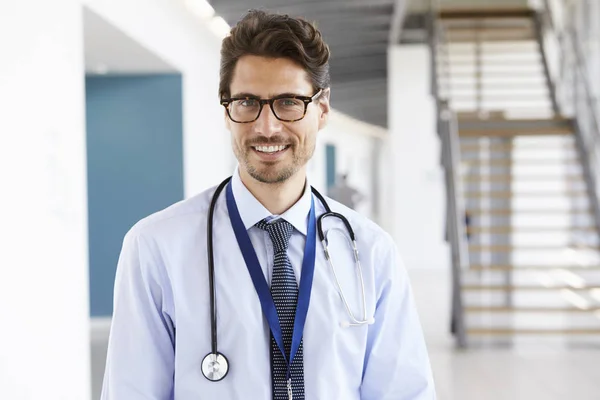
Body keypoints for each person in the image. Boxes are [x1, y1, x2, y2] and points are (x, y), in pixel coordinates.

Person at [101, 9, 436, 400]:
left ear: (322, 109)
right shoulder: (156, 248)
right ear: (226, 110)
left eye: (289, 102)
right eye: (247, 102)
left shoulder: (371, 252)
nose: (267, 127)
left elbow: (404, 392)